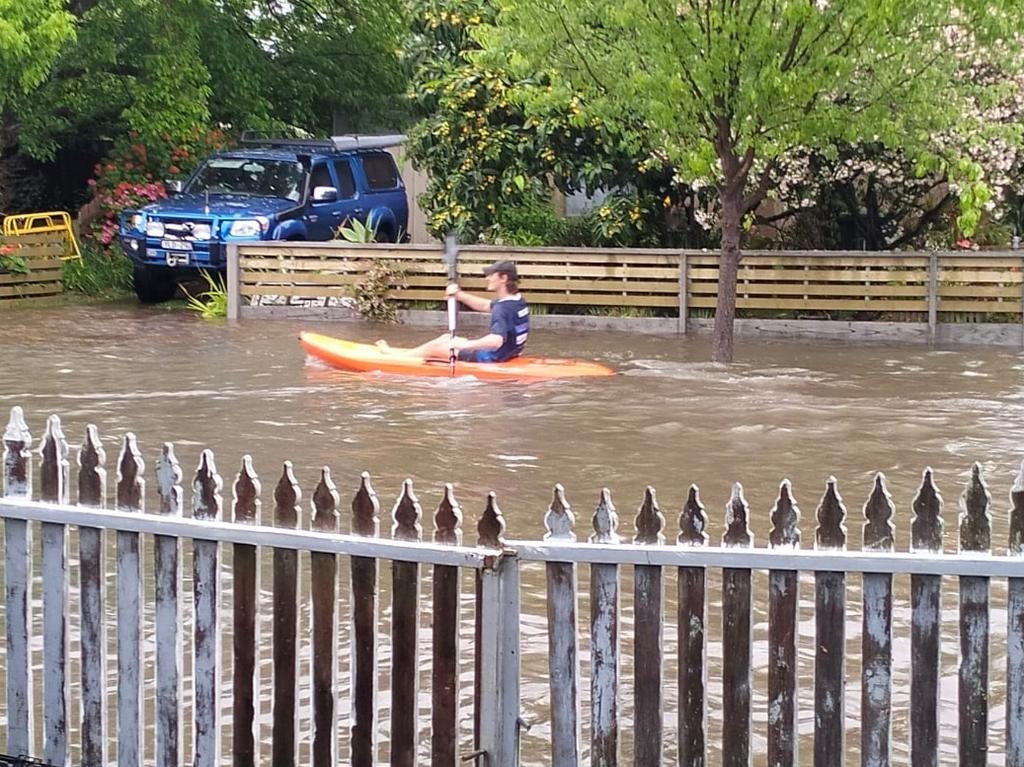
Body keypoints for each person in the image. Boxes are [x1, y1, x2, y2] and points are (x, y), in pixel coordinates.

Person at [396, 259, 530, 362]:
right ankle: (405, 354)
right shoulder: (517, 301)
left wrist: (466, 346)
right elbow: (485, 306)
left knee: (435, 348)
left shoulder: (502, 309)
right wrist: (459, 295)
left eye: (491, 275)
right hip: (509, 354)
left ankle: (398, 359)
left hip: (492, 358)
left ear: (503, 278)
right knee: (446, 338)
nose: (487, 278)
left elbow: (496, 341)